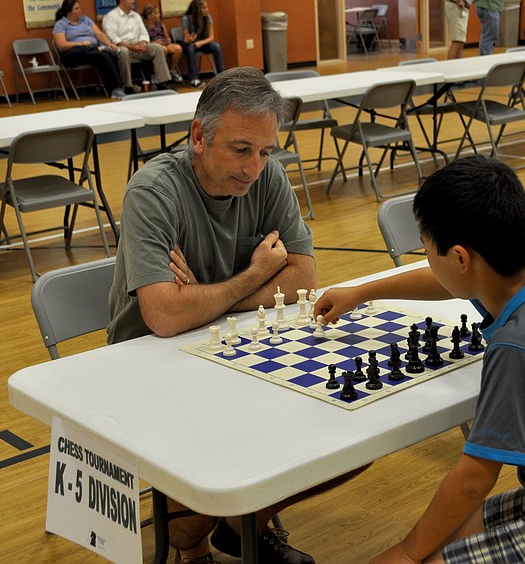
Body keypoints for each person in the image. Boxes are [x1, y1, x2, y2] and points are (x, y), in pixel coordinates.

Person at [314, 156, 525, 564]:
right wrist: (364, 291)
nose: (428, 261)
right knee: (449, 530)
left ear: (460, 258)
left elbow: (476, 477)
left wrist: (407, 552)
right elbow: (448, 282)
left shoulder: (518, 346)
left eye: (427, 251)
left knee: (420, 553)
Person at [108, 67, 344, 563]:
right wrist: (254, 273)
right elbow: (165, 318)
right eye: (241, 150)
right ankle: (194, 540)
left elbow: (302, 280)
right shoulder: (153, 192)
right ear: (198, 136)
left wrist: (207, 299)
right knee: (240, 450)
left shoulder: (267, 176)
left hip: (234, 345)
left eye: (265, 151)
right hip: (148, 367)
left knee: (345, 440)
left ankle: (239, 527)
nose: (254, 168)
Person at [52, 0, 125, 99]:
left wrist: (109, 44)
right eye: (76, 9)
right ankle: (98, 49)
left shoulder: (85, 20)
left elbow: (98, 34)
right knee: (81, 49)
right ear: (69, 12)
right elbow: (61, 45)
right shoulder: (61, 24)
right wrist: (80, 44)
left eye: (79, 8)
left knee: (106, 56)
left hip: (89, 53)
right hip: (71, 55)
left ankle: (116, 89)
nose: (80, 10)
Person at [102, 0, 173, 93]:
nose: (133, 1)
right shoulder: (111, 17)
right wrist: (131, 47)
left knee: (157, 48)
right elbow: (113, 38)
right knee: (123, 51)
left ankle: (162, 83)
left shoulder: (136, 16)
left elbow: (144, 34)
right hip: (121, 48)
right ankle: (128, 86)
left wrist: (143, 43)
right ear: (122, 1)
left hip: (138, 47)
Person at [180, 0, 226, 88]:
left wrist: (201, 42)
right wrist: (190, 39)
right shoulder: (186, 18)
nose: (207, 10)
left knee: (216, 46)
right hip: (190, 44)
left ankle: (222, 75)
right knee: (190, 48)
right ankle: (194, 78)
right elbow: (186, 39)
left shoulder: (208, 18)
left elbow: (211, 37)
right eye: (204, 8)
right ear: (197, 10)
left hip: (202, 42)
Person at [141, 3, 184, 84]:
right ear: (150, 16)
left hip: (164, 43)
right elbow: (144, 41)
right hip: (153, 45)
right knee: (162, 50)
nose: (159, 15)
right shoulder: (143, 26)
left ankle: (171, 70)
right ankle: (157, 74)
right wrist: (155, 42)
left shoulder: (160, 24)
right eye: (156, 13)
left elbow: (167, 37)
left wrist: (168, 40)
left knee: (178, 48)